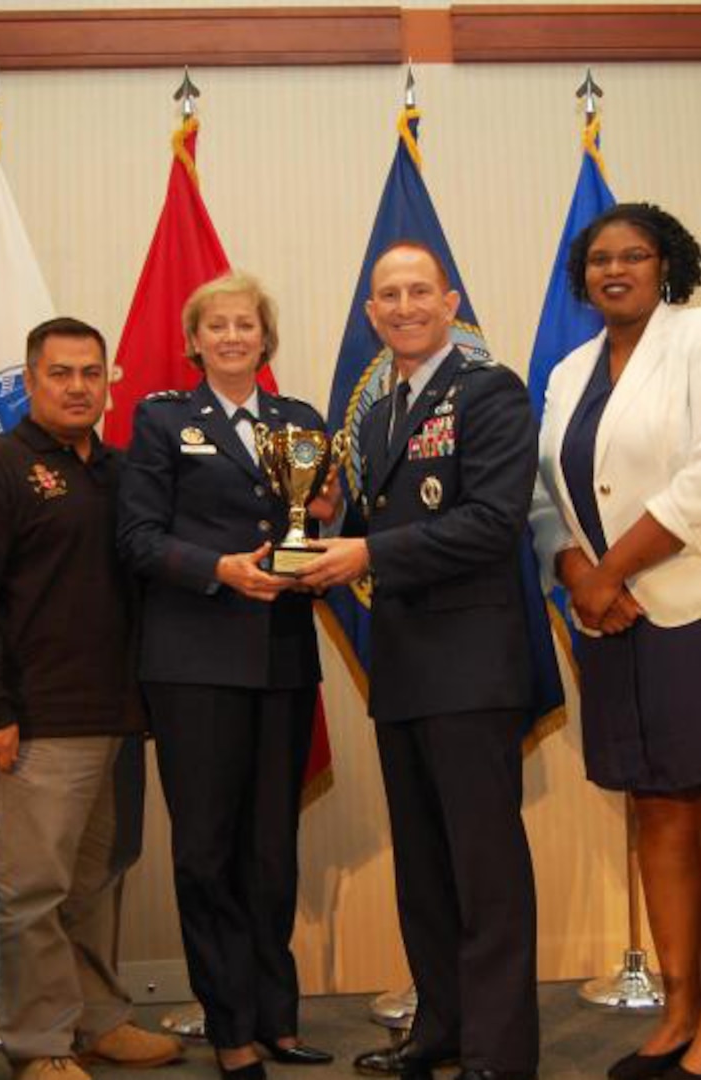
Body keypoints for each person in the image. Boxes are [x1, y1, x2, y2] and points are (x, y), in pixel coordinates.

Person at [529, 204, 701, 1080]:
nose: (616, 270)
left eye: (634, 256)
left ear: (666, 265)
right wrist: (579, 575)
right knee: (654, 804)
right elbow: (542, 493)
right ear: (584, 278)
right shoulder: (570, 369)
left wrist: (608, 571)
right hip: (614, 620)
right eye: (600, 259)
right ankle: (680, 1007)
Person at [299, 241, 540, 1080]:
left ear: (450, 302)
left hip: (471, 665)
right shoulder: (376, 411)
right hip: (403, 664)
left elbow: (491, 522)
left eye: (417, 292)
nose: (402, 307)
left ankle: (498, 1054)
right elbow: (376, 523)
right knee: (427, 870)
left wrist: (366, 551)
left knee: (485, 871)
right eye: (386, 296)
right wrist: (331, 519)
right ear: (370, 314)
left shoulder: (491, 391)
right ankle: (440, 1027)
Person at [0, 317, 183, 1080]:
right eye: (60, 373)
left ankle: (97, 1019)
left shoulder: (123, 471)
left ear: (110, 383)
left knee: (97, 881)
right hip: (31, 722)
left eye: (91, 373)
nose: (77, 387)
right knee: (30, 890)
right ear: (31, 382)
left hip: (117, 716)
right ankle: (38, 1043)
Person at [119, 271, 338, 1079]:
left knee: (272, 851)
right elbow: (137, 539)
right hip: (194, 666)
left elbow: (320, 525)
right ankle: (229, 1028)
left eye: (246, 323)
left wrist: (326, 521)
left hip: (281, 661)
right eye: (217, 325)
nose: (233, 336)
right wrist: (220, 568)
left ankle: (276, 1018)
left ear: (264, 337)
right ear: (195, 340)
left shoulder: (300, 421)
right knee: (207, 854)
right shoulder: (162, 420)